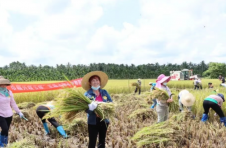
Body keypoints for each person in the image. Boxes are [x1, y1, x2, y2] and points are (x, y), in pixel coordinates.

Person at [82, 71, 112, 148]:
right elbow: (85, 109)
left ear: (100, 82)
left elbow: (111, 103)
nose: (96, 82)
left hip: (104, 120)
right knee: (92, 142)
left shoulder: (104, 92)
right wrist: (91, 108)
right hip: (93, 121)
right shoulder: (87, 94)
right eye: (93, 80)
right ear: (90, 83)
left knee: (102, 141)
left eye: (97, 80)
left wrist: (104, 108)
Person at [0, 76, 24, 147]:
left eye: (5, 84)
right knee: (4, 129)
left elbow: (13, 103)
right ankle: (1, 144)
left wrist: (19, 112)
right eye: (1, 84)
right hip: (0, 114)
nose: (3, 85)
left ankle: (5, 144)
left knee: (6, 130)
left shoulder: (9, 92)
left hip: (9, 114)